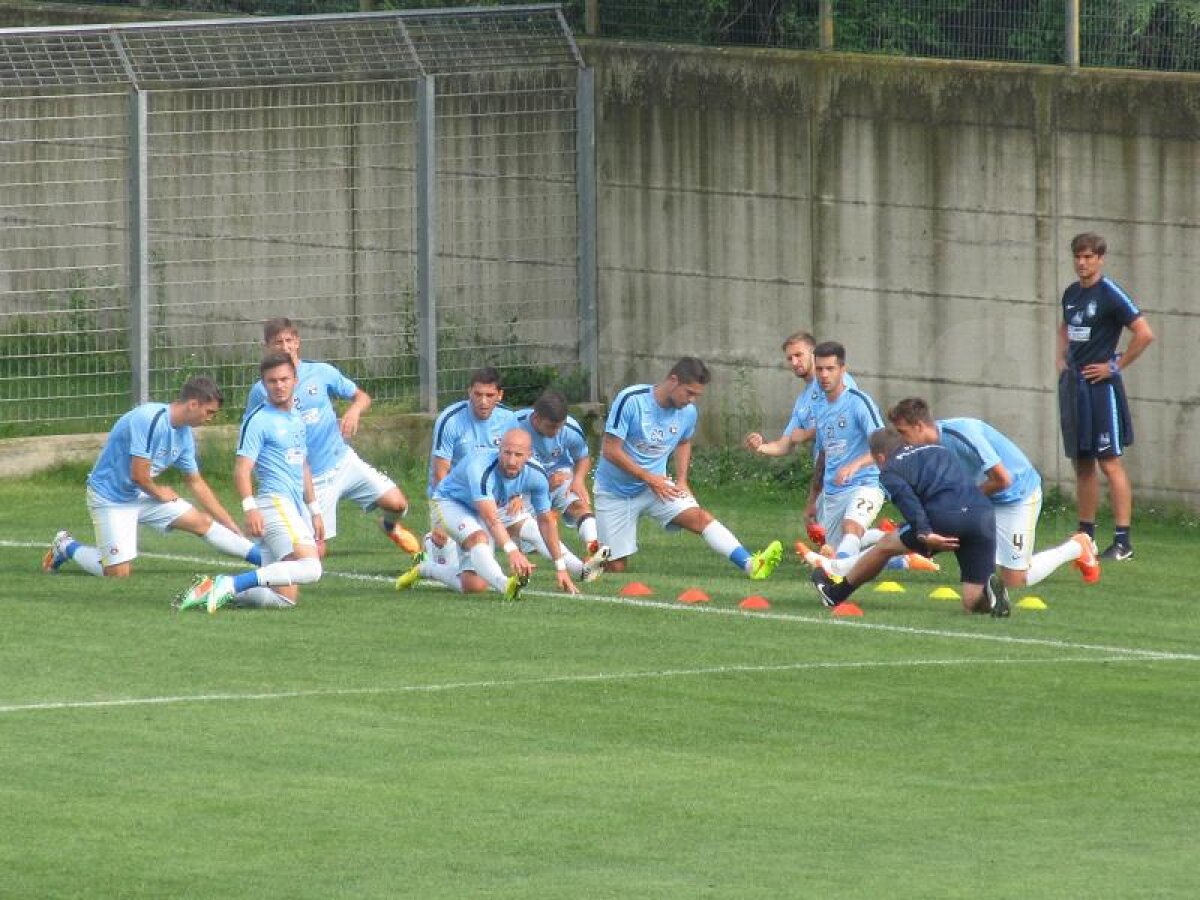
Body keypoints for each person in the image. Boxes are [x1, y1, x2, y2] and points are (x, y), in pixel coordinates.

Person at [42, 376, 262, 578]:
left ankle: (267, 562)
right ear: (193, 404)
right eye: (209, 412)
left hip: (142, 493)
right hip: (110, 498)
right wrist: (159, 493)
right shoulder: (150, 418)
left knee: (201, 522)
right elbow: (138, 475)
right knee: (117, 573)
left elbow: (195, 482)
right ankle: (66, 546)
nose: (211, 418)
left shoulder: (184, 435)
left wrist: (229, 523)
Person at [593, 356, 783, 578]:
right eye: (689, 393)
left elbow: (684, 442)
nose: (692, 400)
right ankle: (591, 554)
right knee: (615, 568)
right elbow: (610, 450)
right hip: (614, 492)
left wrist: (682, 480)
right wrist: (648, 477)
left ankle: (751, 565)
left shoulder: (688, 412)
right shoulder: (631, 400)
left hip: (657, 487)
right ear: (673, 381)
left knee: (699, 518)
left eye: (696, 395)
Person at [245, 317, 419, 556]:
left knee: (398, 504)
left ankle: (389, 526)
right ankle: (266, 548)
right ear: (267, 347)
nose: (285, 347)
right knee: (314, 553)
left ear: (297, 342)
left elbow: (362, 397)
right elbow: (254, 434)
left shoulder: (321, 372)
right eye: (278, 342)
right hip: (311, 479)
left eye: (289, 340)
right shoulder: (261, 391)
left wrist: (354, 411)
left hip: (343, 461)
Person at [887, 397, 1099, 589]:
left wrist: (960, 502)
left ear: (919, 426)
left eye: (903, 432)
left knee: (1015, 582)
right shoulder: (926, 449)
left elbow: (1002, 480)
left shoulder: (961, 434)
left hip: (1017, 496)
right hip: (985, 498)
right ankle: (901, 557)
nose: (902, 440)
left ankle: (1077, 546)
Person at [176, 353, 324, 612]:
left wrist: (315, 510)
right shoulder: (259, 420)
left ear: (295, 380)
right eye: (272, 381)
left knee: (283, 599)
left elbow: (303, 465)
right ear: (263, 384)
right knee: (311, 569)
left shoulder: (297, 418)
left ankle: (211, 590)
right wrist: (250, 508)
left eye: (284, 379)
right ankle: (230, 584)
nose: (279, 386)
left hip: (291, 507)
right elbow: (242, 469)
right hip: (274, 503)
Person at [810, 427, 1010, 617]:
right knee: (972, 601)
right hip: (982, 515)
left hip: (944, 518)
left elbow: (909, 503)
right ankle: (991, 595)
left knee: (884, 546)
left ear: (880, 457)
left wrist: (925, 533)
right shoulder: (939, 449)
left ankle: (835, 594)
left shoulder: (889, 469)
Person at [1057, 232, 1154, 561]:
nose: (1082, 263)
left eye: (1088, 257)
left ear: (1100, 259)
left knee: (1109, 461)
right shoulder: (1071, 293)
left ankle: (1123, 541)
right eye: (1078, 257)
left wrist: (1115, 365)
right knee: (1082, 462)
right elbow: (1065, 327)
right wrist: (1060, 359)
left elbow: (1144, 333)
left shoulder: (1110, 293)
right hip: (1075, 388)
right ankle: (1086, 537)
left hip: (1101, 390)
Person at [395, 428, 578, 599]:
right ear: (499, 450)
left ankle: (426, 568)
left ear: (529, 455)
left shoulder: (536, 475)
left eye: (518, 455)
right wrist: (513, 551)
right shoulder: (481, 468)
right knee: (478, 537)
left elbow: (546, 521)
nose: (511, 460)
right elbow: (491, 519)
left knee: (474, 585)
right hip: (450, 503)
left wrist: (560, 567)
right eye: (507, 453)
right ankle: (506, 586)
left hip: (483, 509)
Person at [424, 366, 518, 563]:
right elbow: (440, 474)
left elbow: (516, 461)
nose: (483, 401)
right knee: (451, 567)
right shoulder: (450, 420)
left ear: (500, 395)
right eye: (478, 394)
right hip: (452, 500)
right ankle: (431, 548)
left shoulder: (509, 419)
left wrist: (516, 494)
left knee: (529, 528)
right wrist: (441, 520)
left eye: (489, 395)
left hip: (488, 498)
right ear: (469, 392)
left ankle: (573, 568)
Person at [802, 341, 887, 559]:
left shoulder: (859, 402)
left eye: (830, 368)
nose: (824, 375)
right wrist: (813, 500)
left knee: (851, 528)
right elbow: (824, 454)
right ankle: (892, 541)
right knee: (841, 552)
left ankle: (838, 573)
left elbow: (884, 444)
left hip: (865, 484)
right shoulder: (819, 407)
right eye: (819, 369)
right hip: (833, 493)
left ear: (842, 370)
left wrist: (855, 465)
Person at [512, 389, 610, 574]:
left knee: (579, 503)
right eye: (551, 427)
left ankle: (594, 550)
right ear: (536, 418)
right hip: (523, 486)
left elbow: (582, 457)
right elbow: (504, 467)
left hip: (559, 475)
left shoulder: (570, 428)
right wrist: (535, 486)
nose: (556, 432)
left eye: (560, 427)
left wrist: (578, 480)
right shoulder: (513, 426)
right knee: (533, 541)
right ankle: (580, 569)